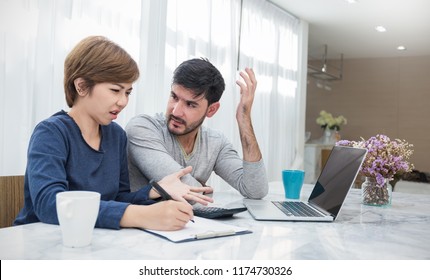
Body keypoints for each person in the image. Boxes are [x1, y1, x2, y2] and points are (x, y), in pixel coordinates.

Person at [14, 36, 212, 231]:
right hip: (41, 242)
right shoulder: (51, 133)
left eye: (127, 92)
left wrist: (155, 190)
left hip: (93, 241)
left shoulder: (116, 135)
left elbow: (117, 198)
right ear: (81, 86)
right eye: (115, 90)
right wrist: (138, 215)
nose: (123, 102)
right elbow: (49, 205)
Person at [125, 58, 268, 199]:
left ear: (211, 110)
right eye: (174, 97)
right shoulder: (142, 128)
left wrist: (244, 118)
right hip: (143, 221)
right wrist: (202, 191)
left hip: (189, 221)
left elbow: (256, 190)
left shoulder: (216, 143)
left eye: (190, 105)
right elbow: (181, 188)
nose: (176, 111)